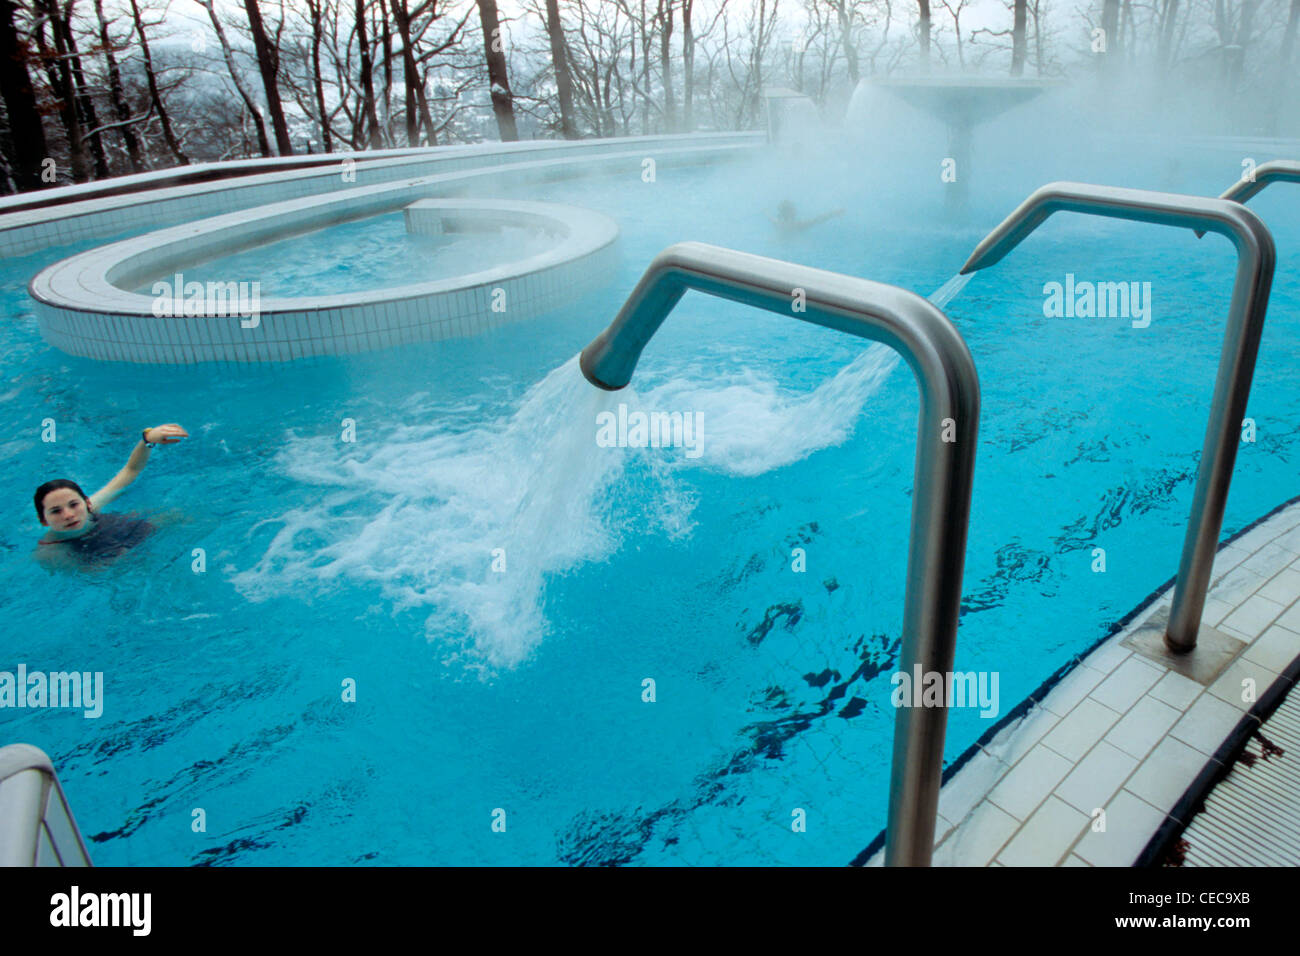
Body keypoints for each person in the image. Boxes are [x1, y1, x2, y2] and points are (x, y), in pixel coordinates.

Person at [34, 423, 189, 565]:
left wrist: (147, 440)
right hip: (103, 557)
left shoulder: (92, 507)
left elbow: (131, 470)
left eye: (74, 505)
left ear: (87, 503)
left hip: (125, 529)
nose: (68, 515)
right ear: (43, 521)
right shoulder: (51, 552)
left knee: (179, 515)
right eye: (56, 511)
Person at [769, 200, 845, 235]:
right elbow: (818, 220)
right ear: (791, 213)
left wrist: (764, 212)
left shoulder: (777, 224)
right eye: (793, 209)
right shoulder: (797, 226)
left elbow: (770, 217)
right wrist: (834, 213)